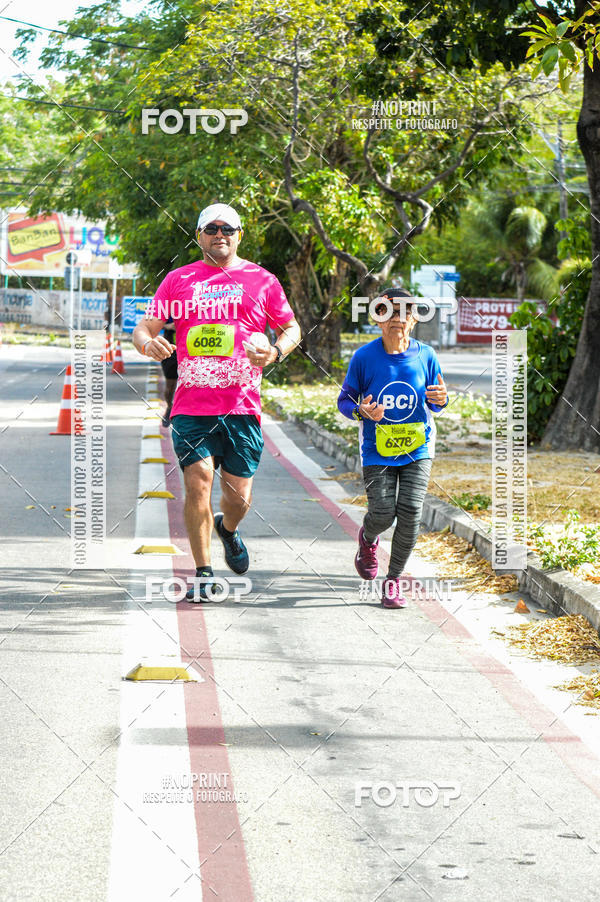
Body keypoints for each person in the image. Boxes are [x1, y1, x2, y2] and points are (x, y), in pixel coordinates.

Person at [133, 202, 301, 601]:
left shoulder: (262, 280)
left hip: (242, 407)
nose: (219, 234)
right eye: (211, 228)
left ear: (240, 234)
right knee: (198, 483)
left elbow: (291, 328)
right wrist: (148, 344)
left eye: (228, 228)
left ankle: (227, 528)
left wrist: (275, 352)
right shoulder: (179, 281)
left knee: (239, 497)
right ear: (198, 236)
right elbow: (145, 326)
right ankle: (204, 573)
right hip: (192, 405)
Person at [337, 288, 448, 608]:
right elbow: (345, 401)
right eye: (388, 311)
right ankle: (368, 538)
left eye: (404, 312)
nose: (397, 318)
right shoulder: (364, 358)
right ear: (377, 319)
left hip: (418, 446)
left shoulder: (426, 355)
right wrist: (361, 411)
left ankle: (393, 581)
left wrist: (442, 400)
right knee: (383, 513)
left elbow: (437, 400)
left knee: (412, 511)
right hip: (377, 449)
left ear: (414, 320)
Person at [160, 318, 177, 427]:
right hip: (171, 351)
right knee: (170, 385)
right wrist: (169, 326)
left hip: (191, 350)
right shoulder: (168, 305)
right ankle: (169, 407)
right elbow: (153, 323)